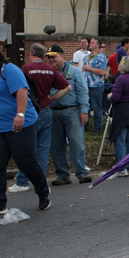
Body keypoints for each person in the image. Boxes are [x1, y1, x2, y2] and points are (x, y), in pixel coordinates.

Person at [0, 43, 51, 215]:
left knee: (25, 161)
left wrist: (20, 115)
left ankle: (43, 191)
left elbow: (21, 92)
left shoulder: (8, 70)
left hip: (19, 124)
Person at [9, 43, 70, 193]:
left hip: (30, 111)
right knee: (43, 148)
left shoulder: (24, 69)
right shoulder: (50, 69)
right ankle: (40, 181)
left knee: (27, 148)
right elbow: (67, 87)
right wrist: (51, 98)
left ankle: (22, 181)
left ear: (30, 54)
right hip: (46, 110)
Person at [45, 44, 92, 185]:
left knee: (76, 143)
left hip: (72, 111)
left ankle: (82, 173)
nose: (51, 60)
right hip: (53, 112)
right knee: (56, 145)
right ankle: (63, 174)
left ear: (62, 56)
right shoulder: (48, 73)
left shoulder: (74, 72)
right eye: (49, 58)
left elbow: (83, 91)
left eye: (54, 57)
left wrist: (84, 111)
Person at [108, 57, 129, 177]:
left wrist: (109, 97)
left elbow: (115, 97)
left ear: (124, 66)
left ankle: (121, 168)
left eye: (121, 62)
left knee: (120, 140)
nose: (119, 64)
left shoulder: (120, 79)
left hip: (121, 112)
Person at [82, 37, 108, 133]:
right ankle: (85, 126)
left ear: (98, 45)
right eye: (90, 42)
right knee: (86, 106)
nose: (90, 44)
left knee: (96, 107)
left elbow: (102, 71)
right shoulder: (88, 56)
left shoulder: (101, 57)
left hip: (96, 86)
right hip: (86, 85)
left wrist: (90, 69)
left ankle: (98, 128)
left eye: (92, 43)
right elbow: (83, 69)